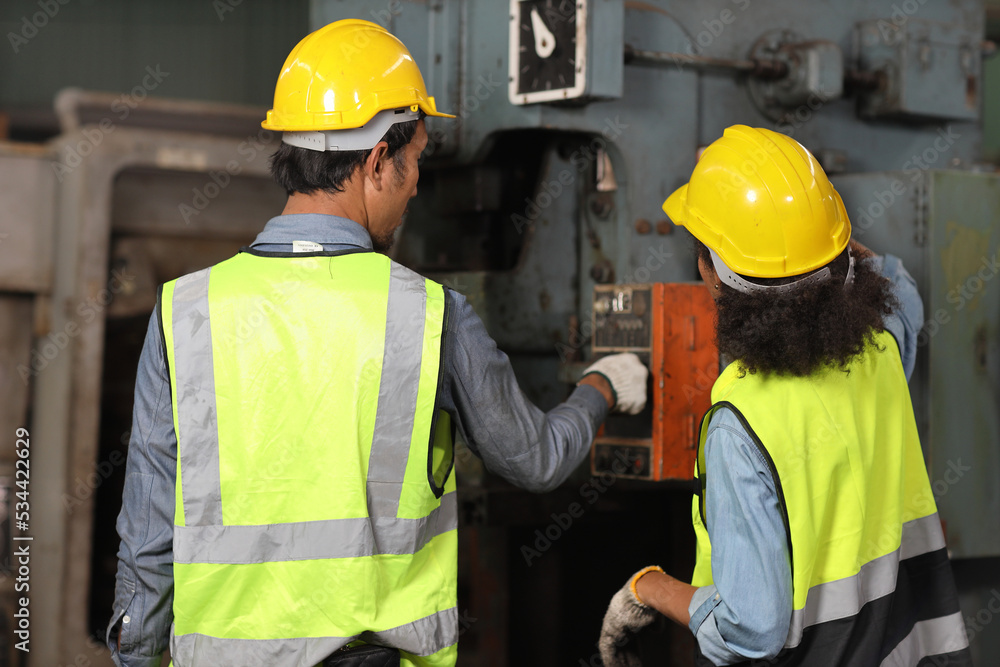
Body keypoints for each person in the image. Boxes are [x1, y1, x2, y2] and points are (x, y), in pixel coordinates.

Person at [106, 19, 648, 667]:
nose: (417, 182)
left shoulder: (182, 312)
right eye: (414, 159)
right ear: (375, 162)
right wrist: (603, 384)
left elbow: (146, 538)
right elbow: (536, 460)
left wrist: (135, 656)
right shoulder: (430, 314)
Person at [598, 125, 972, 666]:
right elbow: (893, 281)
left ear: (711, 274)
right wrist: (806, 225)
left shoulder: (742, 424)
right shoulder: (882, 346)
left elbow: (752, 631)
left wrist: (648, 588)